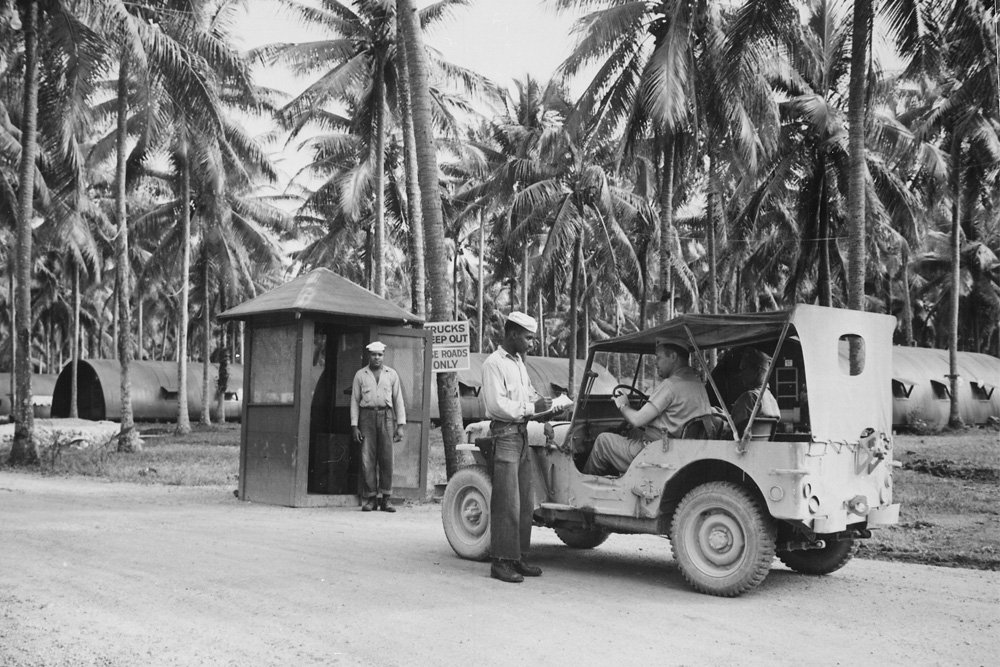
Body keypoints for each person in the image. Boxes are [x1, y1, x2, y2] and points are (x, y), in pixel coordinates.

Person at [481, 311, 552, 584]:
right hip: (506, 435)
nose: (532, 343)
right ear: (513, 335)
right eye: (528, 337)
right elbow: (497, 405)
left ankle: (518, 557)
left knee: (524, 502)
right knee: (507, 502)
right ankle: (501, 562)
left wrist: (547, 404)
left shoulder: (520, 364)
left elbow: (529, 395)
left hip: (522, 435)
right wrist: (532, 408)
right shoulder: (493, 364)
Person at [582, 336, 711, 477]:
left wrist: (622, 404)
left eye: (658, 358)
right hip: (681, 450)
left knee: (603, 441)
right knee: (631, 433)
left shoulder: (671, 386)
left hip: (655, 452)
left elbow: (637, 420)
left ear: (673, 357)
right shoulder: (697, 384)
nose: (655, 363)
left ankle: (584, 488)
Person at [350, 341, 406, 512]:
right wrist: (354, 425)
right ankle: (371, 498)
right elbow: (354, 401)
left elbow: (398, 400)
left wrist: (400, 425)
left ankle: (386, 498)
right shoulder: (360, 375)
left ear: (383, 355)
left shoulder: (391, 374)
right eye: (374, 354)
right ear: (369, 356)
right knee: (367, 458)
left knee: (387, 457)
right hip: (366, 417)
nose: (377, 357)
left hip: (387, 416)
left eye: (380, 354)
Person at [730, 348, 780, 429]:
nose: (741, 373)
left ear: (757, 370)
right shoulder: (772, 400)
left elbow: (732, 431)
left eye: (744, 368)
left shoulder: (749, 398)